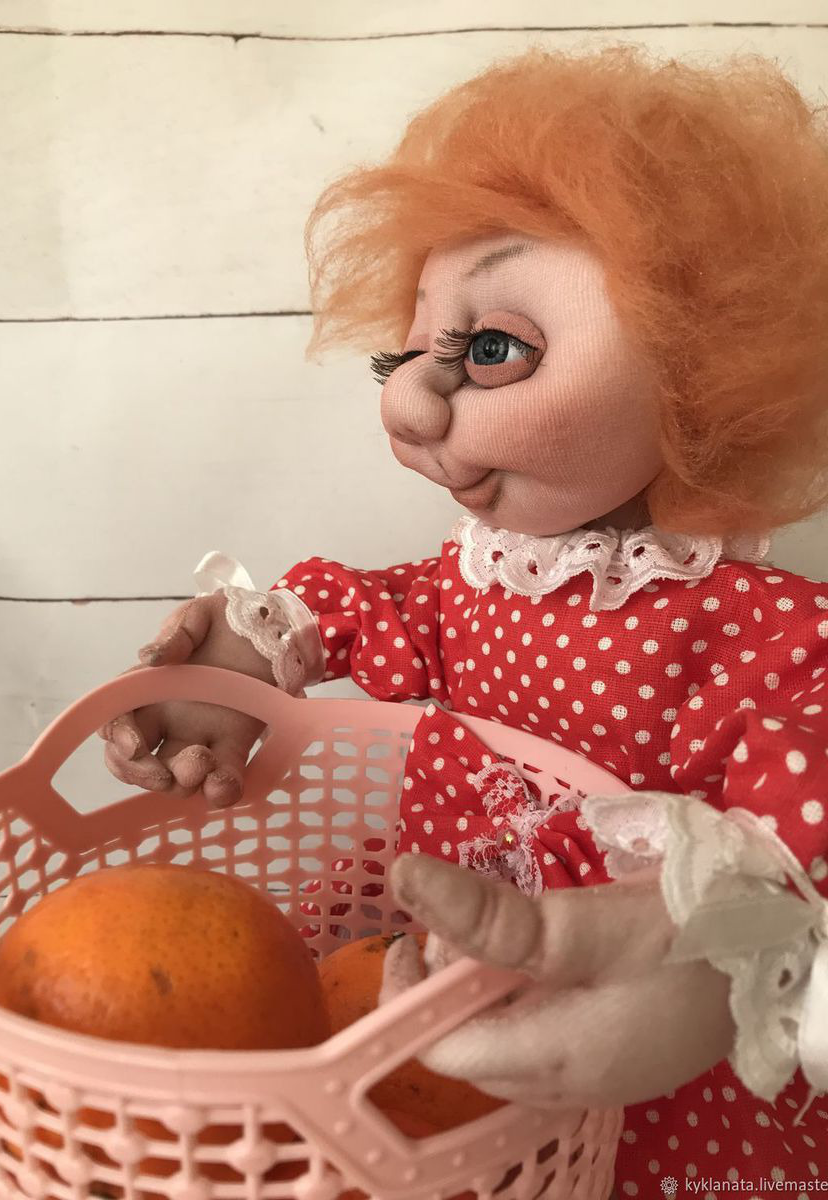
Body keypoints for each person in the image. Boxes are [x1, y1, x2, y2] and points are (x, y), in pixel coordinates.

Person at [102, 49, 828, 1195]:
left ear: (707, 371)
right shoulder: (476, 579)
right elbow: (380, 609)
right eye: (406, 349)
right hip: (426, 1010)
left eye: (494, 348)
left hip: (654, 1088)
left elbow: (796, 855)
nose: (406, 399)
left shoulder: (772, 641)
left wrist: (721, 973)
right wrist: (246, 658)